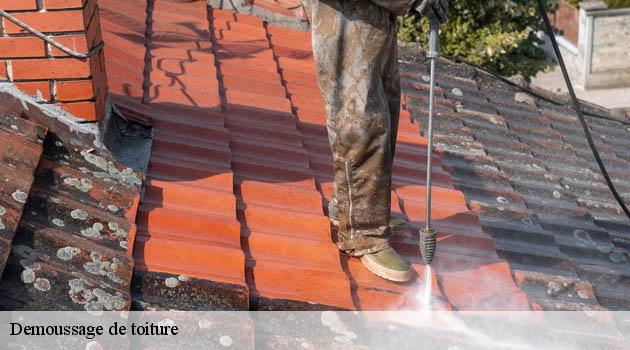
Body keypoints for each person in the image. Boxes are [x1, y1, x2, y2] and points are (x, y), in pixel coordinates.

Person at [299, 0, 448, 282]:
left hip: (375, 10)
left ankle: (353, 207)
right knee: (362, 117)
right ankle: (363, 232)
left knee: (385, 106)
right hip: (346, 10)